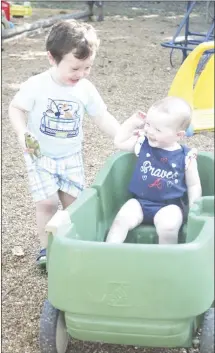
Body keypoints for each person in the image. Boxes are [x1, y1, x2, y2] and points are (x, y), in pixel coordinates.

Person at [9, 20, 120, 266]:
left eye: (87, 68)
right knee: (47, 203)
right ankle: (46, 250)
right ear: (52, 58)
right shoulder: (37, 85)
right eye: (75, 69)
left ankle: (72, 245)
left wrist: (120, 135)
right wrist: (22, 132)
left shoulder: (85, 89)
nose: (81, 74)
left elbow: (101, 116)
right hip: (40, 156)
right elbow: (16, 108)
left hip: (71, 156)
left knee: (74, 205)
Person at [106, 96, 202, 244]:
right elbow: (119, 142)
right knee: (121, 219)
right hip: (141, 202)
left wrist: (195, 208)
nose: (150, 131)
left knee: (168, 227)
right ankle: (107, 252)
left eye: (157, 129)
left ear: (179, 135)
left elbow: (193, 185)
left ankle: (166, 260)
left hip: (170, 205)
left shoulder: (186, 157)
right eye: (148, 124)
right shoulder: (143, 145)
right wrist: (131, 123)